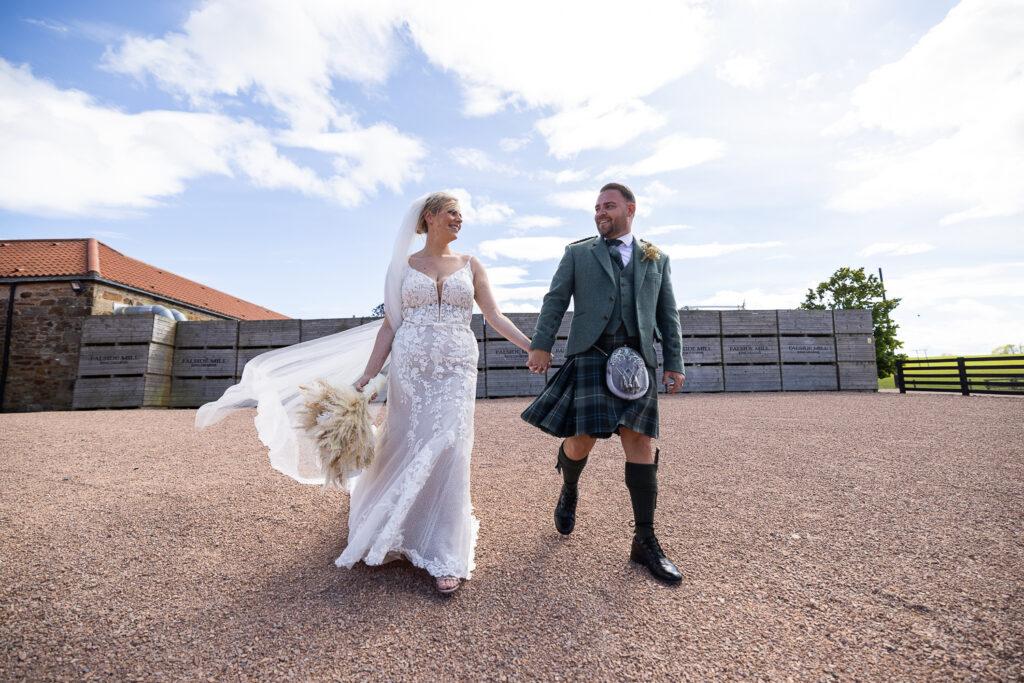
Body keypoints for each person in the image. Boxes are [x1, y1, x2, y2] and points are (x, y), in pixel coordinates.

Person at [196, 192, 530, 595]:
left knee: (452, 445)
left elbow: (494, 315)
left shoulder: (471, 264)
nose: (460, 220)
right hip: (411, 369)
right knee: (405, 441)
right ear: (430, 217)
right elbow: (390, 325)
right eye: (452, 213)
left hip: (457, 367)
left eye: (461, 215)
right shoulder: (402, 267)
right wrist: (368, 376)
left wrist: (532, 347)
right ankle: (397, 527)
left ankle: (444, 550)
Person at [521, 182, 686, 584]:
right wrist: (541, 346)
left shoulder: (656, 257)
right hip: (592, 354)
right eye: (596, 207)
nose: (600, 213)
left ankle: (645, 540)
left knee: (640, 441)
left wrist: (674, 362)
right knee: (583, 440)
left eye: (608, 206)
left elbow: (668, 312)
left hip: (638, 361)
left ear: (630, 209)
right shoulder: (578, 253)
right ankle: (570, 489)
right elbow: (555, 300)